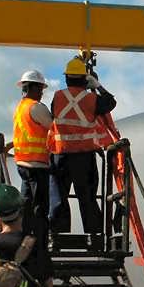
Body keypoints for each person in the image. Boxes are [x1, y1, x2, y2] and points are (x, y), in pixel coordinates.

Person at [47, 56, 116, 236]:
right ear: (85, 79)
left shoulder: (57, 97)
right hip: (83, 156)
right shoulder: (91, 99)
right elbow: (110, 103)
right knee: (87, 198)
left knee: (58, 197)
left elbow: (55, 113)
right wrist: (98, 85)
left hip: (59, 155)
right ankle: (93, 235)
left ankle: (59, 235)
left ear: (66, 78)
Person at [10, 70, 53, 244]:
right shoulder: (36, 107)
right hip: (37, 164)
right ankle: (39, 241)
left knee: (26, 205)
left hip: (22, 163)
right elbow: (53, 126)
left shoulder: (20, 107)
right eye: (41, 88)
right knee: (40, 207)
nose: (42, 93)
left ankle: (24, 237)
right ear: (34, 88)